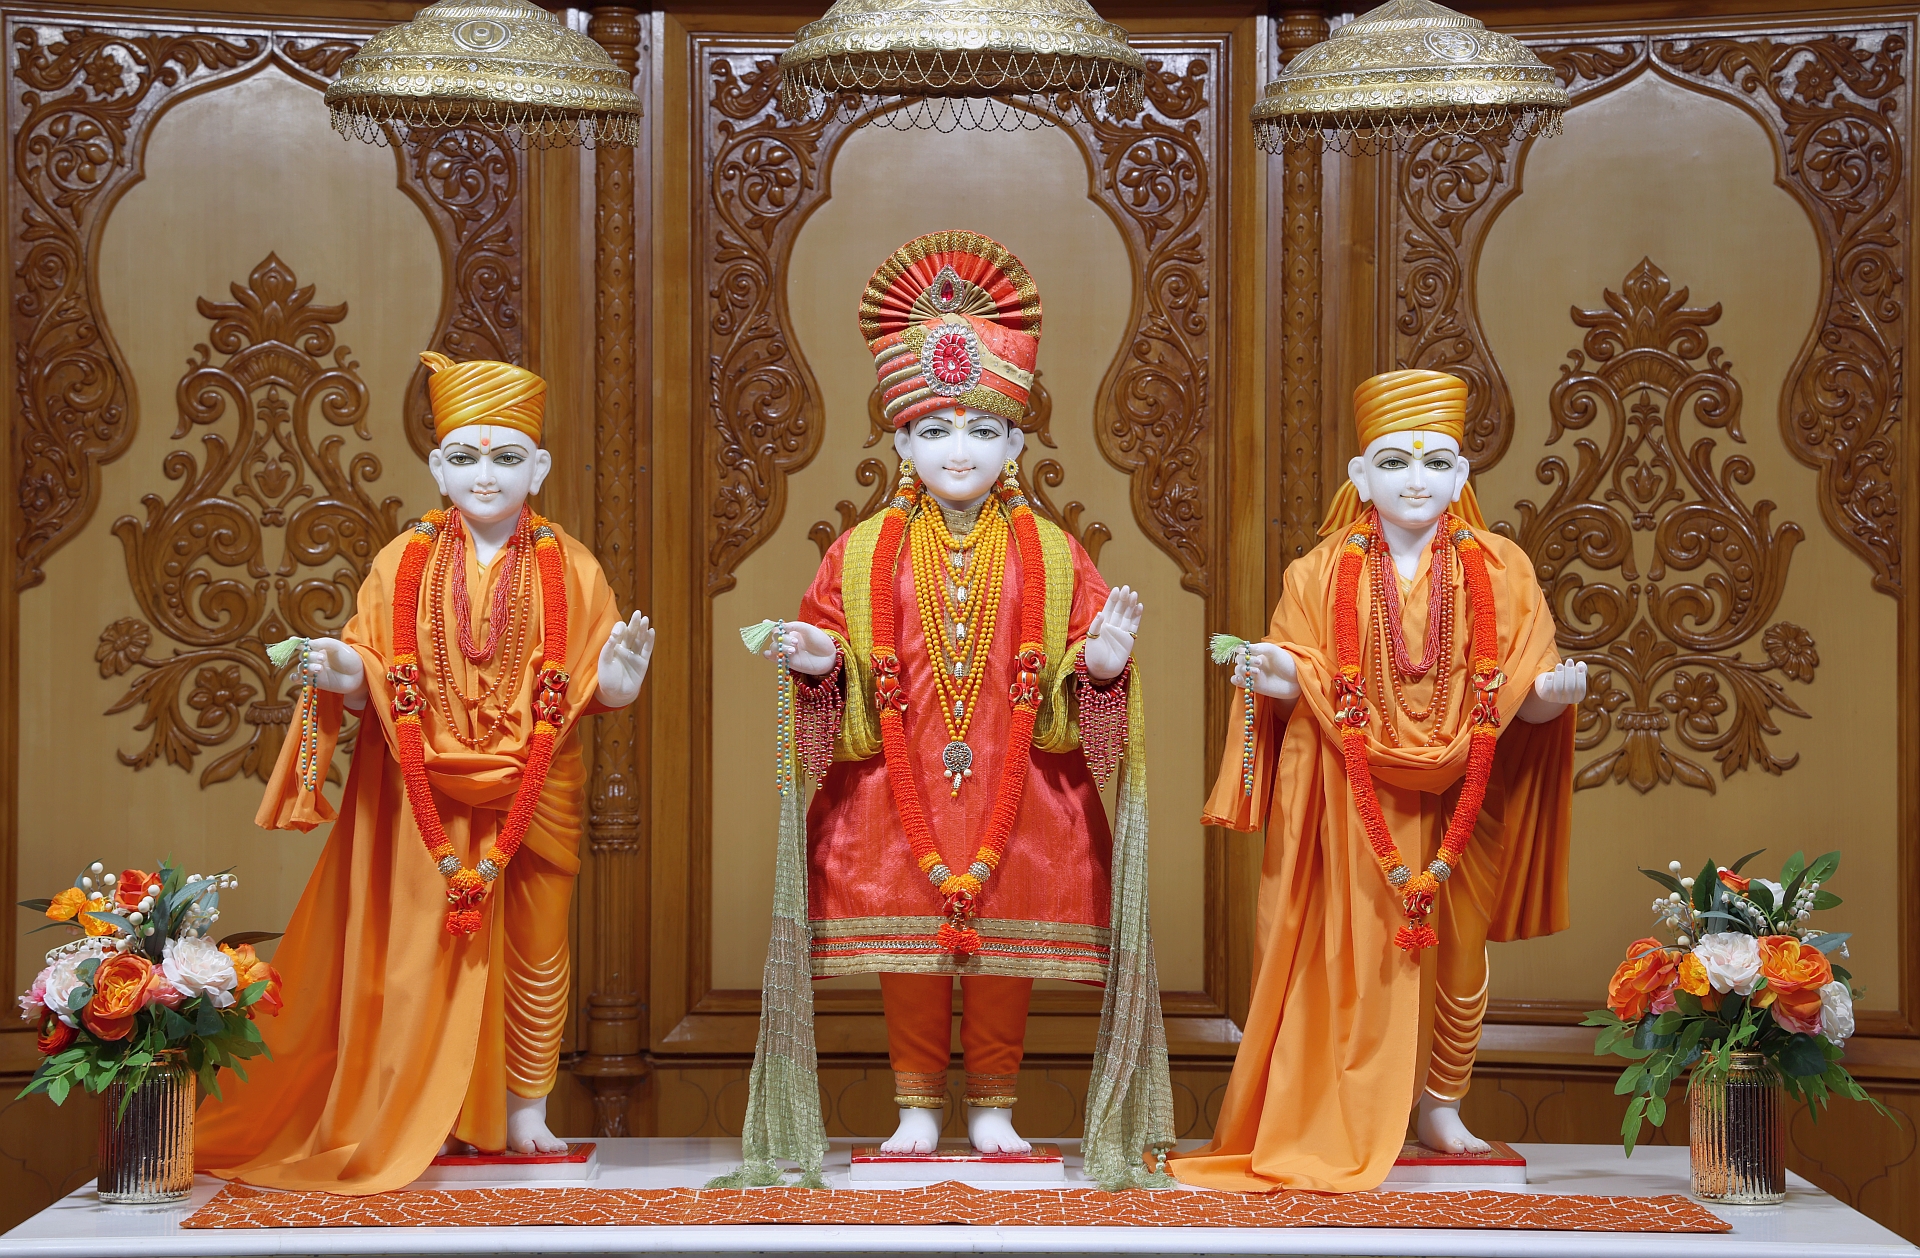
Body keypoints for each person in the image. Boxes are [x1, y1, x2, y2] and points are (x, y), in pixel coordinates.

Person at [720, 230, 1173, 1190]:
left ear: (1016, 441)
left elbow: (1083, 680)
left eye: (978, 431)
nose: (956, 450)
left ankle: (998, 1111)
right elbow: (828, 649)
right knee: (913, 946)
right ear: (899, 442)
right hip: (896, 779)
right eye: (933, 431)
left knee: (1004, 936)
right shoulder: (861, 551)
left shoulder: (1053, 552)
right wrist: (813, 663)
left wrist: (1102, 663)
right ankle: (917, 1108)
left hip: (1021, 779)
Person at [195, 352, 656, 1194]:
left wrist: (614, 688)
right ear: (439, 465)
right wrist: (338, 667)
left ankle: (525, 1109)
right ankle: (423, 1109)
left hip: (536, 786)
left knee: (537, 949)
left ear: (539, 468)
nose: (487, 475)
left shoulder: (574, 566)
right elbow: (372, 667)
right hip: (419, 795)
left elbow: (593, 678)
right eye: (468, 457)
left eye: (507, 457)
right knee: (411, 955)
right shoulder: (399, 563)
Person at [1171, 369, 1585, 1193]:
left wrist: (1550, 697)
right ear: (1360, 477)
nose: (1416, 480)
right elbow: (1300, 679)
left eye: (1436, 464)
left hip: (1470, 797)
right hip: (1350, 806)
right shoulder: (1316, 573)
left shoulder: (1503, 570)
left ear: (1463, 477)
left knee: (1459, 953)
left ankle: (1439, 1104)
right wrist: (1275, 674)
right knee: (1352, 955)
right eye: (1394, 462)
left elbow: (1521, 702)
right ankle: (1349, 1109)